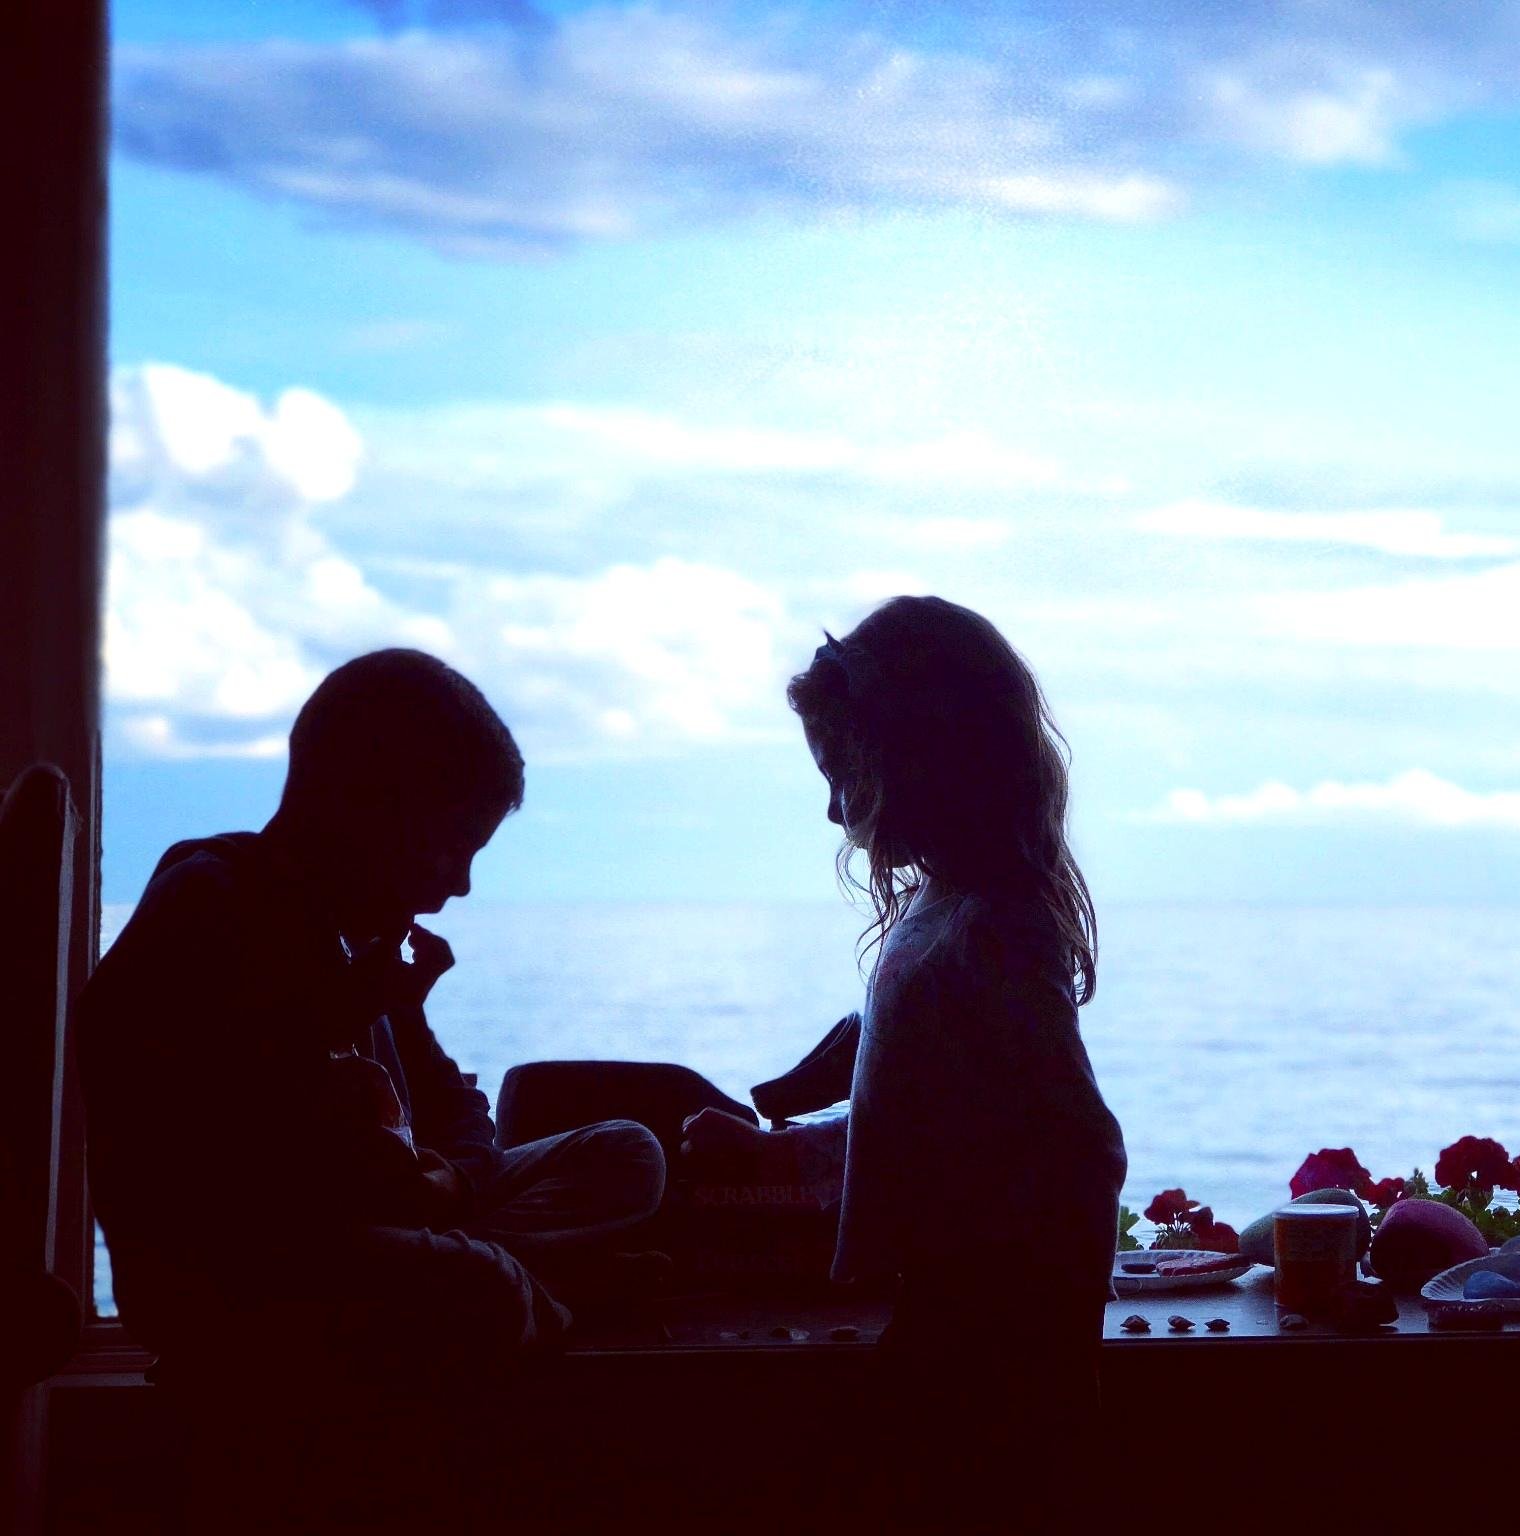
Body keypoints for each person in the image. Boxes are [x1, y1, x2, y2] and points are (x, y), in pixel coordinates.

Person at [81, 648, 668, 1384]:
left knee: (627, 1150)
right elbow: (243, 1171)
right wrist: (344, 1014)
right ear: (368, 810)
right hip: (248, 1269)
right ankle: (546, 1289)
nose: (460, 883)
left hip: (395, 1226)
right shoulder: (206, 910)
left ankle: (530, 1288)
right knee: (480, 1288)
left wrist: (452, 1182)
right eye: (452, 846)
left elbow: (458, 1110)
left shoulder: (363, 937)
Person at [679, 596, 1127, 1527]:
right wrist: (777, 1155)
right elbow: (928, 1128)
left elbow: (1081, 1149)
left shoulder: (993, 931)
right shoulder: (946, 917)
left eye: (847, 773)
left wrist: (1050, 1369)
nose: (838, 808)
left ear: (925, 758)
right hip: (952, 1323)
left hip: (983, 1345)